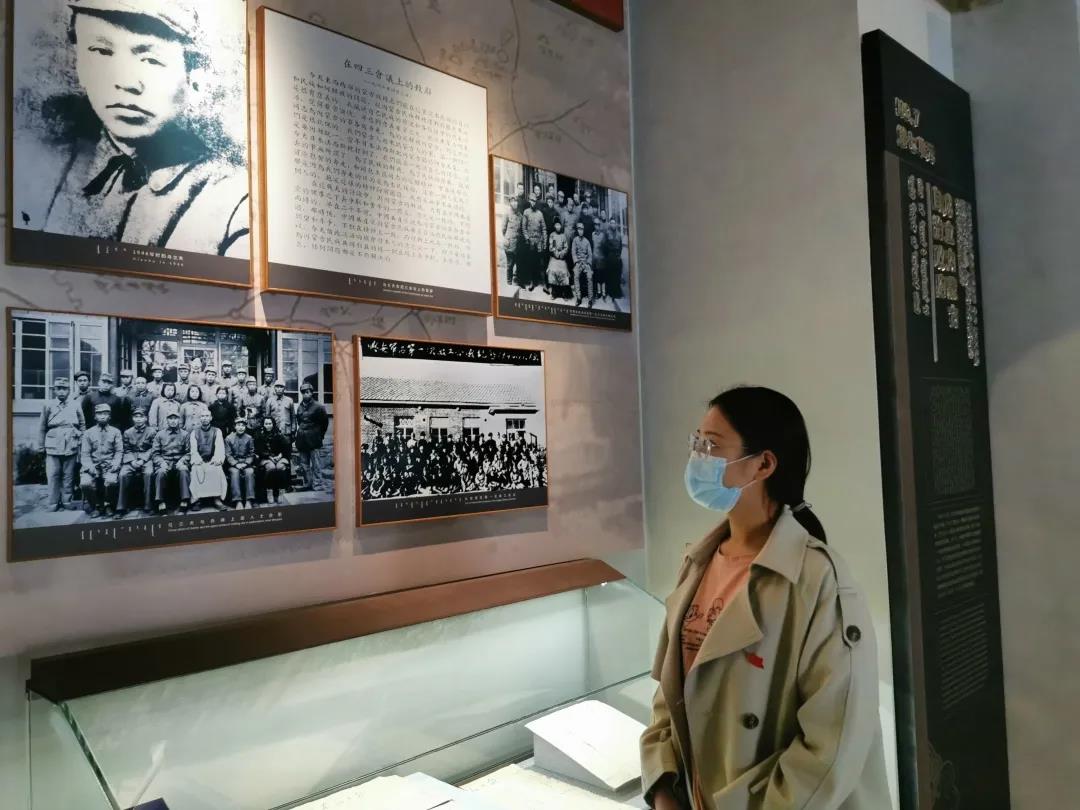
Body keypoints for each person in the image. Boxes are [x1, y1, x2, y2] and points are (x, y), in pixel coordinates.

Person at [640, 386, 888, 810]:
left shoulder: (818, 580)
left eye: (711, 446)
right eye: (696, 443)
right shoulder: (697, 563)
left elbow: (832, 746)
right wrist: (664, 788)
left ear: (764, 464)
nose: (697, 458)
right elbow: (670, 697)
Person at [26, 0, 248, 256]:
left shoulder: (234, 202)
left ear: (193, 74)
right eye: (100, 51)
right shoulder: (42, 164)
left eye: (151, 60)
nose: (125, 82)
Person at [38, 377, 84, 512]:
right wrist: (41, 446)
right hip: (53, 443)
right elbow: (42, 427)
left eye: (64, 389)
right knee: (53, 474)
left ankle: (66, 501)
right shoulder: (48, 405)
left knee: (68, 474)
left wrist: (81, 440)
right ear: (54, 390)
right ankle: (52, 503)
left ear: (69, 390)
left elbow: (82, 424)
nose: (62, 392)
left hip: (71, 442)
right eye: (58, 389)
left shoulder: (75, 404)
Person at [79, 402, 123, 518]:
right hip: (92, 466)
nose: (102, 416)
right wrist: (90, 467)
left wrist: (115, 463)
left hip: (109, 465)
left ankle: (108, 505)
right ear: (95, 416)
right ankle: (96, 506)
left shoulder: (116, 432)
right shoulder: (88, 433)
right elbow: (85, 454)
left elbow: (119, 451)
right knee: (85, 483)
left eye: (105, 414)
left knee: (111, 481)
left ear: (109, 416)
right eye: (99, 414)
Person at [116, 405, 155, 516]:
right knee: (123, 474)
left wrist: (143, 459)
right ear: (133, 418)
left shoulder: (151, 431)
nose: (138, 419)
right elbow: (126, 449)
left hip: (146, 459)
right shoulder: (127, 432)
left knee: (149, 473)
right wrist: (132, 461)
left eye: (141, 416)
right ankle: (121, 507)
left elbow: (153, 448)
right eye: (136, 417)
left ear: (146, 418)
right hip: (131, 460)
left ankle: (148, 505)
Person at [188, 408, 227, 511]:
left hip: (212, 459)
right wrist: (198, 460)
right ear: (200, 418)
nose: (204, 418)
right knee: (196, 469)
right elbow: (193, 449)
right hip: (200, 460)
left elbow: (219, 447)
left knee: (216, 469)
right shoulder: (194, 432)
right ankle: (197, 500)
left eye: (207, 416)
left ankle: (217, 499)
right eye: (202, 416)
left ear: (211, 418)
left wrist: (215, 459)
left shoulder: (217, 431)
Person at [151, 410, 190, 513]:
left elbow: (189, 452)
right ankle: (160, 501)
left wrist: (182, 461)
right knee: (160, 472)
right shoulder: (159, 434)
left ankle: (184, 500)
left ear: (179, 420)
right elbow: (155, 453)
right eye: (170, 418)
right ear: (167, 420)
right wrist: (161, 463)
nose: (173, 421)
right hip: (165, 461)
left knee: (184, 470)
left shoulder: (185, 434)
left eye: (175, 418)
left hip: (179, 462)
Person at [295, 382, 329, 491]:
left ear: (312, 393)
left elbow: (324, 423)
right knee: (304, 464)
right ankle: (307, 483)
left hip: (314, 440)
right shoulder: (300, 407)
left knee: (316, 464)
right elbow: (299, 421)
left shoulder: (319, 407)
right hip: (302, 439)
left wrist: (320, 436)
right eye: (303, 392)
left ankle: (317, 484)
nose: (306, 394)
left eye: (308, 392)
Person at [255, 415, 291, 505]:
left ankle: (281, 491)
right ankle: (269, 492)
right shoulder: (259, 435)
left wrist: (280, 455)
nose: (268, 426)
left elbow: (286, 447)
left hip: (279, 457)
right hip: (266, 458)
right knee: (271, 468)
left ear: (273, 424)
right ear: (263, 425)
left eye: (270, 423)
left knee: (280, 467)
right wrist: (269, 457)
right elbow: (259, 450)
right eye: (266, 424)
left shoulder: (278, 434)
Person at [224, 415, 256, 509]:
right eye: (238, 425)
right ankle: (237, 500)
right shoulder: (229, 438)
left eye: (243, 425)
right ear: (235, 426)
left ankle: (249, 500)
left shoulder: (249, 438)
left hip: (246, 463)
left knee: (250, 472)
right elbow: (228, 455)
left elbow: (251, 453)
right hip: (234, 464)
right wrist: (235, 464)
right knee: (235, 473)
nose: (241, 427)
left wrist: (246, 463)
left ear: (245, 427)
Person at [520, 193, 547, 292]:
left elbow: (544, 228)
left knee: (541, 263)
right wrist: (527, 238)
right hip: (530, 242)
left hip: (539, 241)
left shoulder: (540, 213)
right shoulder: (526, 212)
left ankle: (544, 284)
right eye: (531, 200)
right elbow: (523, 227)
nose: (533, 202)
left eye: (534, 201)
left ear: (536, 202)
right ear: (529, 201)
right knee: (531, 262)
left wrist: (544, 241)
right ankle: (532, 282)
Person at [571, 221, 594, 308]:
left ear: (583, 231)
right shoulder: (575, 240)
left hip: (586, 263)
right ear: (577, 230)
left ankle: (590, 299)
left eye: (582, 229)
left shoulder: (587, 241)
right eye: (579, 229)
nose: (580, 231)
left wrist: (588, 263)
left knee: (589, 277)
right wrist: (576, 262)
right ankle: (578, 298)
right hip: (578, 263)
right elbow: (573, 252)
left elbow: (590, 254)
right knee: (576, 276)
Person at [501, 194, 523, 286]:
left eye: (516, 201)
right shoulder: (507, 213)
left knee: (518, 263)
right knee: (510, 264)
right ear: (510, 203)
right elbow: (503, 229)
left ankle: (516, 280)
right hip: (509, 243)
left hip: (517, 244)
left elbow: (521, 229)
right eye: (512, 201)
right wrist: (507, 238)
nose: (515, 203)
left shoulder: (520, 215)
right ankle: (509, 282)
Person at [546, 219, 571, 299]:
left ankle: (564, 293)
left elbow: (566, 247)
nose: (558, 227)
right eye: (556, 225)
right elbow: (551, 246)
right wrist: (556, 253)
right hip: (554, 257)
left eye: (559, 225)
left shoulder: (563, 236)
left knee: (564, 271)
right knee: (552, 270)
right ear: (554, 226)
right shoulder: (552, 235)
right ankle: (554, 293)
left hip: (562, 257)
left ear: (561, 226)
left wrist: (562, 253)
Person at [604, 216, 625, 300]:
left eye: (614, 223)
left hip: (617, 257)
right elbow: (605, 245)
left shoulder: (619, 234)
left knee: (617, 275)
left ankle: (617, 292)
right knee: (611, 275)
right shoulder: (607, 233)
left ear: (616, 224)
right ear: (610, 224)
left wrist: (619, 255)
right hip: (610, 256)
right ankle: (611, 293)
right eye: (611, 223)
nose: (613, 224)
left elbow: (620, 246)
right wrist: (609, 254)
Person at [591, 214, 609, 301]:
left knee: (603, 276)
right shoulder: (592, 234)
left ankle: (604, 292)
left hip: (602, 258)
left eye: (598, 224)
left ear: (600, 225)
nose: (596, 226)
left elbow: (605, 248)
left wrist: (604, 257)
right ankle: (599, 292)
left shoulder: (603, 235)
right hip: (595, 258)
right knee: (597, 276)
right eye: (595, 224)